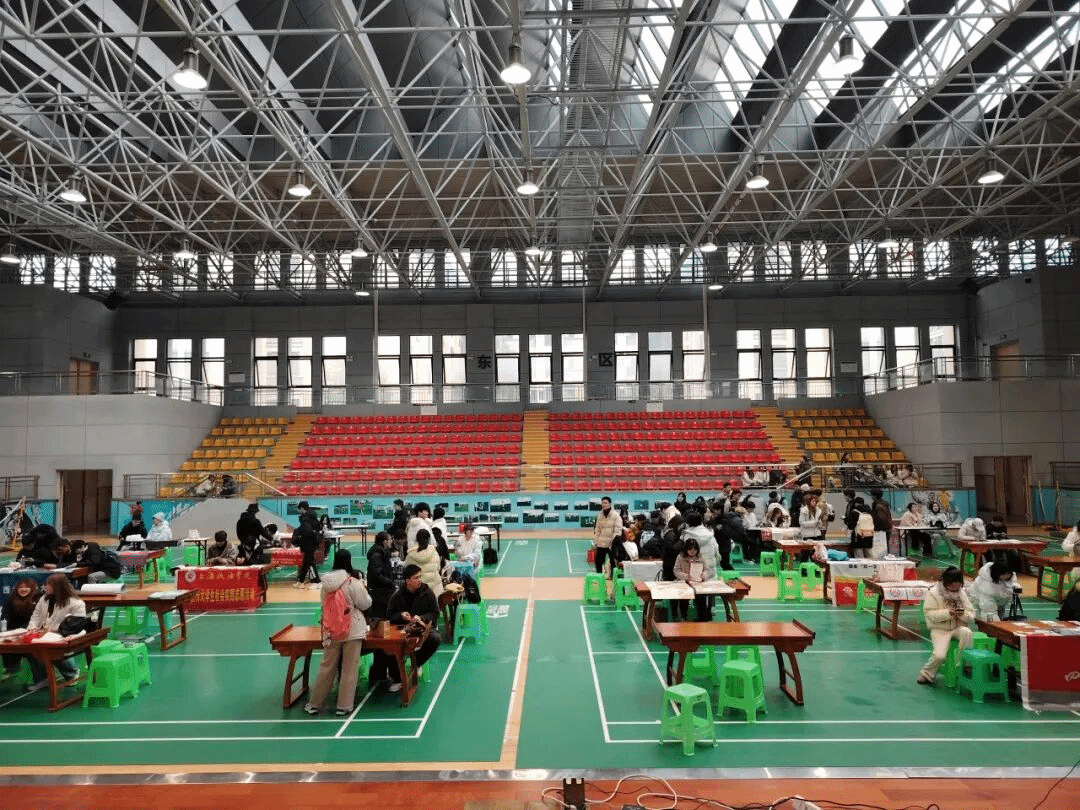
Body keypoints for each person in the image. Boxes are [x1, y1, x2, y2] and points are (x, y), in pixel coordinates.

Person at [303, 550, 372, 716]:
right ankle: (344, 706)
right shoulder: (352, 582)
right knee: (349, 669)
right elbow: (366, 603)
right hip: (352, 630)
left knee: (326, 667)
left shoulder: (326, 584)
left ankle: (314, 704)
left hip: (331, 630)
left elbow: (323, 605)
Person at [380, 564, 442, 692]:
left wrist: (422, 618)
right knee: (390, 643)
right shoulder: (397, 595)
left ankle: (416, 663)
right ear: (407, 581)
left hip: (422, 628)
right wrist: (401, 615)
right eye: (416, 577)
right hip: (402, 629)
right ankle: (397, 679)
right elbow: (389, 615)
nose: (419, 580)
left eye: (420, 577)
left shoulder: (427, 592)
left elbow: (435, 613)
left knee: (435, 638)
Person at [26, 573, 87, 686]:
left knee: (49, 647)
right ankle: (42, 678)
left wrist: (53, 632)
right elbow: (36, 615)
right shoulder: (44, 599)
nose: (45, 587)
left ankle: (72, 673)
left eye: (49, 585)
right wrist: (32, 628)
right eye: (46, 584)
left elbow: (76, 625)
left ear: (58, 586)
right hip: (45, 633)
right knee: (30, 646)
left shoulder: (76, 603)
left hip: (67, 634)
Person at [917, 567, 974, 685]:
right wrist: (948, 613)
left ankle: (963, 665)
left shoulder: (962, 594)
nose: (955, 588)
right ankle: (926, 673)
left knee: (967, 632)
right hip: (940, 629)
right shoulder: (934, 593)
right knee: (940, 655)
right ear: (946, 582)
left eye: (958, 585)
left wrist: (962, 614)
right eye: (952, 585)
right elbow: (929, 614)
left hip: (958, 627)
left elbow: (971, 615)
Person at [1, 579, 40, 679]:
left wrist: (26, 629)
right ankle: (11, 668)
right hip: (12, 631)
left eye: (26, 587)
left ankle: (41, 677)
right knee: (6, 643)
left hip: (30, 629)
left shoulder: (37, 599)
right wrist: (4, 631)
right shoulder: (11, 599)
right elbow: (4, 617)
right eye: (20, 587)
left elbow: (38, 618)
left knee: (32, 649)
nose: (23, 589)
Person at [672, 537, 713, 621]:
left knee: (701, 597)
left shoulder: (701, 556)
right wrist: (685, 576)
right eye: (690, 550)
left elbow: (707, 570)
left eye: (695, 550)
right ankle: (683, 618)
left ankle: (703, 619)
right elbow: (676, 570)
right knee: (684, 598)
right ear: (686, 549)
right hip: (685, 583)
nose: (692, 552)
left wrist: (704, 575)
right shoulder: (680, 557)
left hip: (698, 583)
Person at [365, 531, 397, 619]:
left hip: (381, 590)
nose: (391, 541)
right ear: (384, 541)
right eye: (390, 539)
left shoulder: (382, 552)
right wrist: (390, 582)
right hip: (379, 592)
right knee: (381, 617)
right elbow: (377, 575)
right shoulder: (376, 555)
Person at [405, 529, 444, 599]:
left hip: (418, 591)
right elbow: (438, 568)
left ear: (417, 539)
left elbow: (408, 573)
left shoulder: (410, 555)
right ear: (429, 539)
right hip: (436, 589)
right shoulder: (434, 552)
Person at [292, 500, 323, 590]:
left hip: (308, 543)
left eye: (298, 508)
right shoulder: (312, 516)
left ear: (302, 508)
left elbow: (307, 531)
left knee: (309, 563)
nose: (298, 510)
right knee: (307, 563)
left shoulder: (305, 518)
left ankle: (317, 582)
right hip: (312, 542)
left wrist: (300, 536)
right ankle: (301, 582)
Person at [592, 496, 622, 579]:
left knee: (613, 563)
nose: (604, 505)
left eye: (606, 503)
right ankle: (599, 578)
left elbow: (618, 531)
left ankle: (613, 578)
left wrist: (613, 543)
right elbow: (597, 529)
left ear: (610, 504)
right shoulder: (600, 515)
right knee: (598, 562)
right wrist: (597, 541)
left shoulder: (616, 516)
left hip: (611, 544)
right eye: (602, 503)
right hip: (601, 543)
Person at [870, 489, 893, 559]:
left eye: (872, 495)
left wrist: (876, 529)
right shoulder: (883, 505)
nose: (871, 496)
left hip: (881, 530)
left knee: (880, 550)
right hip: (886, 529)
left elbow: (881, 519)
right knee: (883, 548)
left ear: (875, 496)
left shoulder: (878, 506)